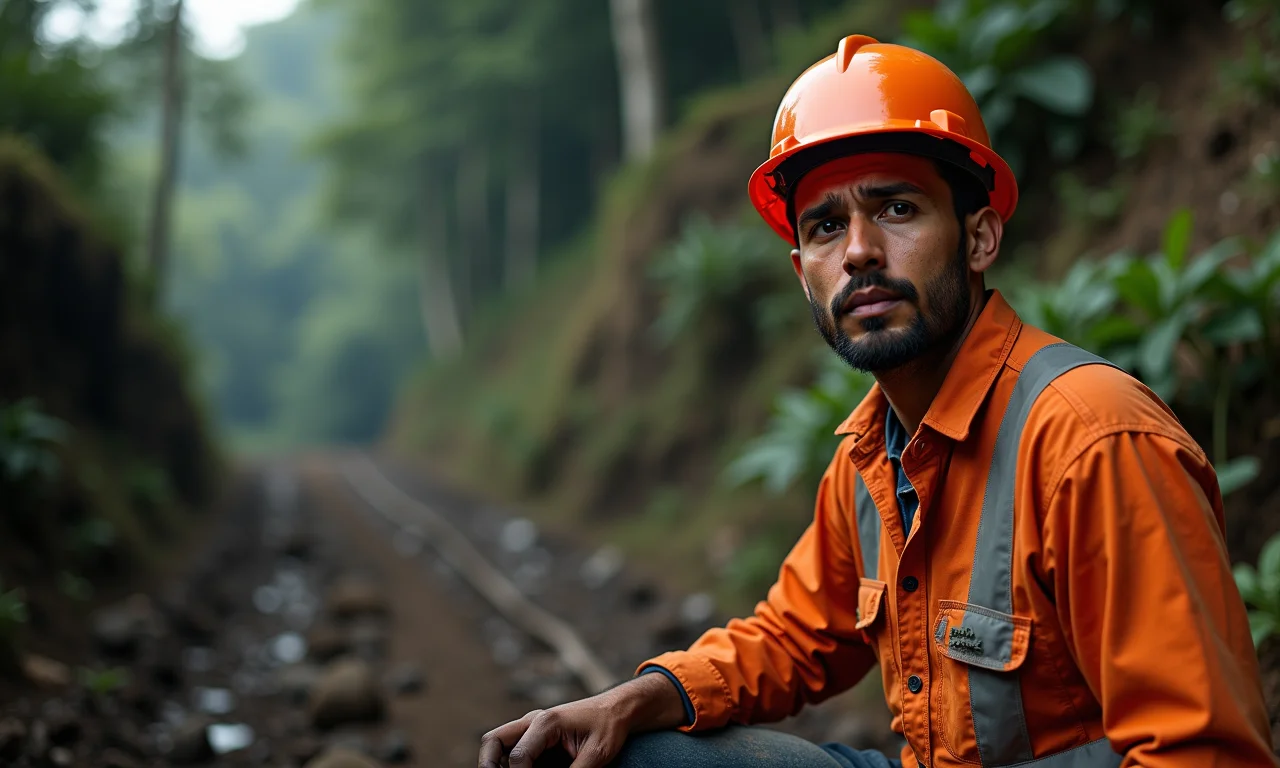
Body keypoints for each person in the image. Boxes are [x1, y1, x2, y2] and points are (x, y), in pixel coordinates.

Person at [478, 35, 1277, 768]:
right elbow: (791, 636)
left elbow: (1201, 753)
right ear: (804, 274)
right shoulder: (873, 458)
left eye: (897, 208)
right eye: (826, 226)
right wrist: (639, 697)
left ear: (979, 237)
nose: (859, 251)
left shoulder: (1092, 440)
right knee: (636, 757)